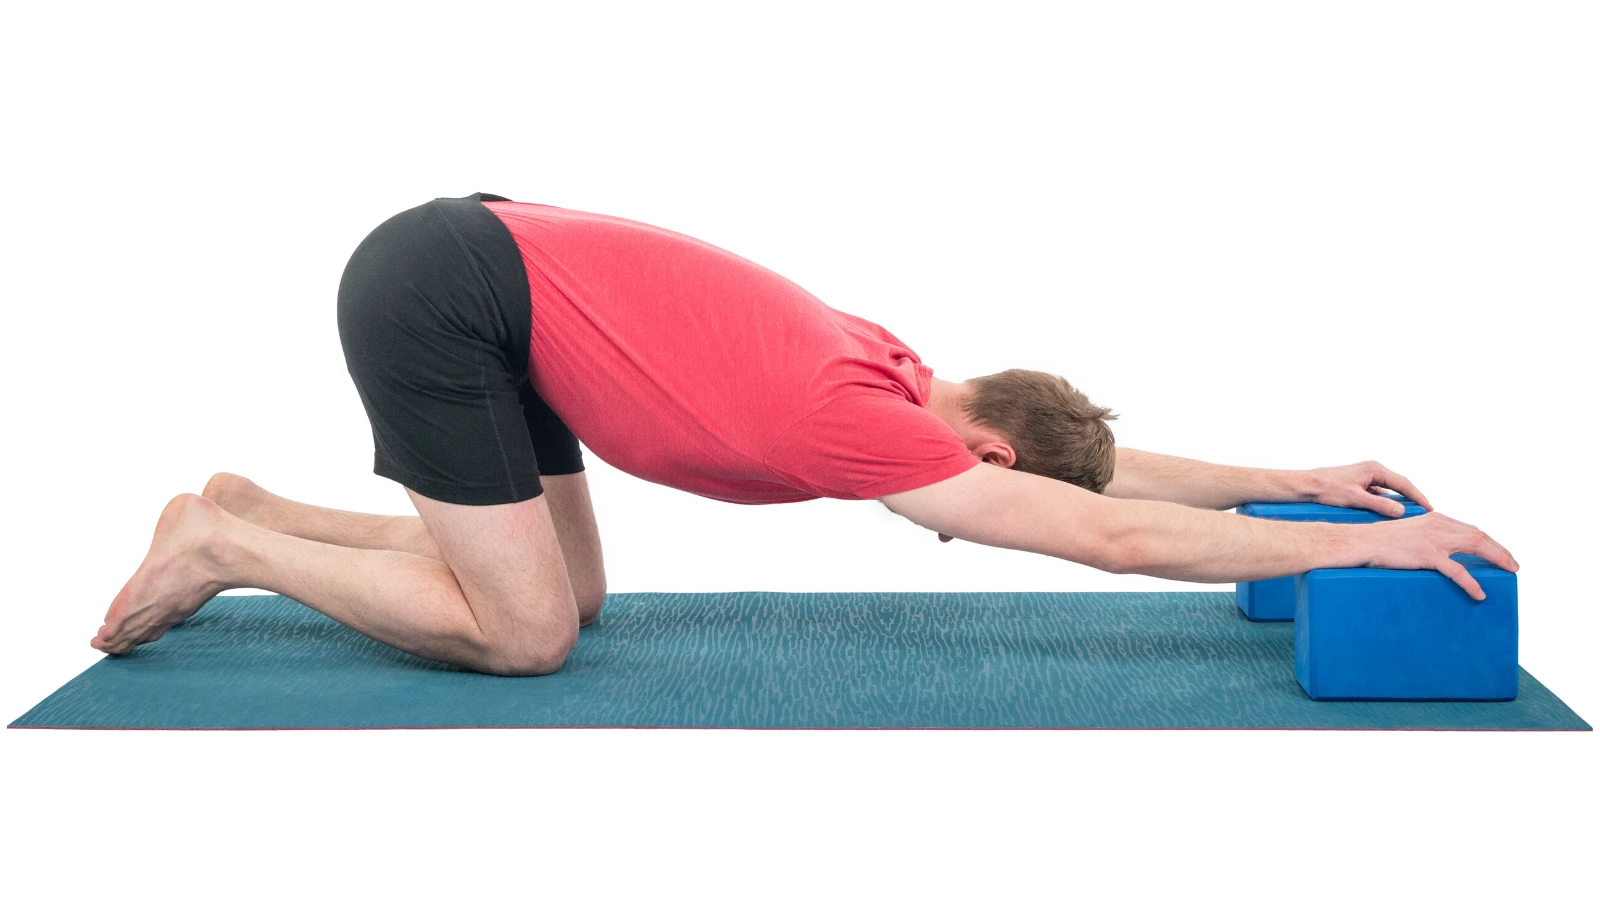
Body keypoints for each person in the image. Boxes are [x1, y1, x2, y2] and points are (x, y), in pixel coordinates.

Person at [92, 194, 1518, 675]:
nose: (957, 495)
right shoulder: (870, 425)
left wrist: (1292, 481)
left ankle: (255, 503)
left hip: (491, 281)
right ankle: (228, 547)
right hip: (451, 295)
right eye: (978, 487)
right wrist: (1394, 544)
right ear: (986, 453)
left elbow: (1106, 478)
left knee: (568, 596)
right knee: (527, 639)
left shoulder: (906, 375)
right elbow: (1116, 532)